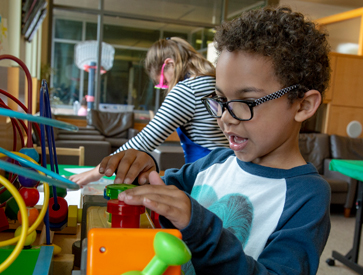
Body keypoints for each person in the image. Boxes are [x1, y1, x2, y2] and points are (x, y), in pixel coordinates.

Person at [97, 6, 331, 274]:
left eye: (246, 101)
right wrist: (144, 173)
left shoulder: (307, 197)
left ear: (303, 105)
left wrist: (201, 228)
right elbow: (163, 201)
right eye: (220, 100)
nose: (226, 118)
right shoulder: (215, 163)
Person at [70, 37, 228, 186]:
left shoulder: (188, 89)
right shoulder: (214, 81)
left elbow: (144, 141)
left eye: (164, 82)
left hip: (208, 176)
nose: (167, 87)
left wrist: (94, 173)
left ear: (169, 64)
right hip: (227, 170)